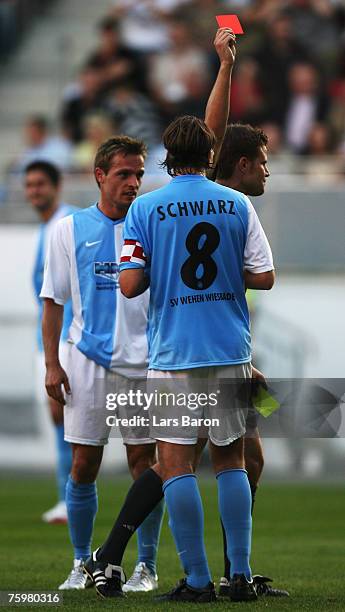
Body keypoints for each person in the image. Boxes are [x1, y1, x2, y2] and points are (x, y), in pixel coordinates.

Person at [119, 114, 275, 602]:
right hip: (230, 347)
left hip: (174, 351)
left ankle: (199, 582)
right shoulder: (237, 204)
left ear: (167, 155)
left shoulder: (145, 208)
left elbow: (129, 284)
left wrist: (163, 271)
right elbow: (265, 275)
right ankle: (242, 578)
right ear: (211, 155)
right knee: (232, 458)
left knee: (176, 462)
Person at [40, 136, 165, 592]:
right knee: (83, 464)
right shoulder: (68, 230)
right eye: (123, 174)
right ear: (99, 175)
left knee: (145, 464)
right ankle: (80, 562)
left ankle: (145, 566)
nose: (133, 183)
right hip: (87, 363)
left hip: (144, 364)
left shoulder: (152, 223)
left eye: (138, 174)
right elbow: (53, 302)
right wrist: (52, 364)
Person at [211, 123, 289, 597]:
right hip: (209, 354)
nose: (267, 171)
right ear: (241, 165)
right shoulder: (232, 207)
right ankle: (111, 557)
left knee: (253, 457)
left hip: (230, 349)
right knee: (168, 465)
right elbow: (264, 277)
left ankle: (233, 571)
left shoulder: (217, 203)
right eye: (262, 161)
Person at [25, 160, 74, 524]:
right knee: (60, 420)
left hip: (71, 340)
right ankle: (67, 497)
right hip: (54, 341)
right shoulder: (49, 226)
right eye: (29, 185)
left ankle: (71, 498)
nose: (33, 191)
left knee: (65, 419)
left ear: (56, 186)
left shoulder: (64, 224)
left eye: (40, 184)